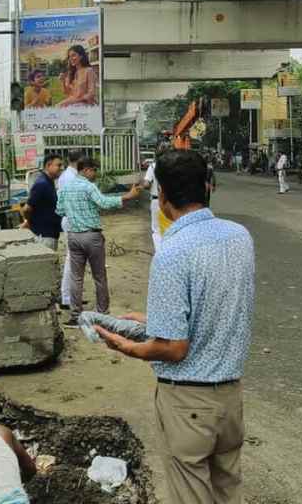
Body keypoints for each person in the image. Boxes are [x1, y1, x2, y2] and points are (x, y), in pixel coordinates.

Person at [92, 150, 254, 504]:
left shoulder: (172, 252)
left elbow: (173, 348)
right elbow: (215, 307)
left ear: (162, 196)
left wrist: (126, 346)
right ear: (208, 187)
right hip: (230, 397)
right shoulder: (240, 237)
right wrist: (154, 321)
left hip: (189, 402)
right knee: (228, 490)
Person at [55, 157, 144, 324]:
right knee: (99, 276)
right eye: (94, 170)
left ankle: (75, 316)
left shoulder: (66, 187)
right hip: (92, 236)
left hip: (74, 236)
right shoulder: (89, 186)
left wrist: (75, 212)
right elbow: (104, 203)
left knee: (76, 277)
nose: (95, 174)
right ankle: (102, 313)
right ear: (86, 170)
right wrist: (127, 196)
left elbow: (59, 210)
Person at [54, 150, 82, 307]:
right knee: (72, 259)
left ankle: (70, 296)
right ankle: (67, 297)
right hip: (72, 219)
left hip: (68, 218)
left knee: (73, 258)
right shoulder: (71, 177)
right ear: (79, 160)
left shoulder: (66, 176)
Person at [22, 153, 63, 251]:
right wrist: (29, 222)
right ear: (48, 165)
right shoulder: (42, 184)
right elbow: (27, 209)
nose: (61, 168)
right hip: (44, 236)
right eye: (58, 165)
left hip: (50, 234)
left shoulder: (49, 182)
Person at [142, 145, 167, 251]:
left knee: (156, 229)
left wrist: (143, 185)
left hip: (156, 201)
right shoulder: (172, 167)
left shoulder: (152, 167)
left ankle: (159, 253)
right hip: (171, 201)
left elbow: (146, 184)